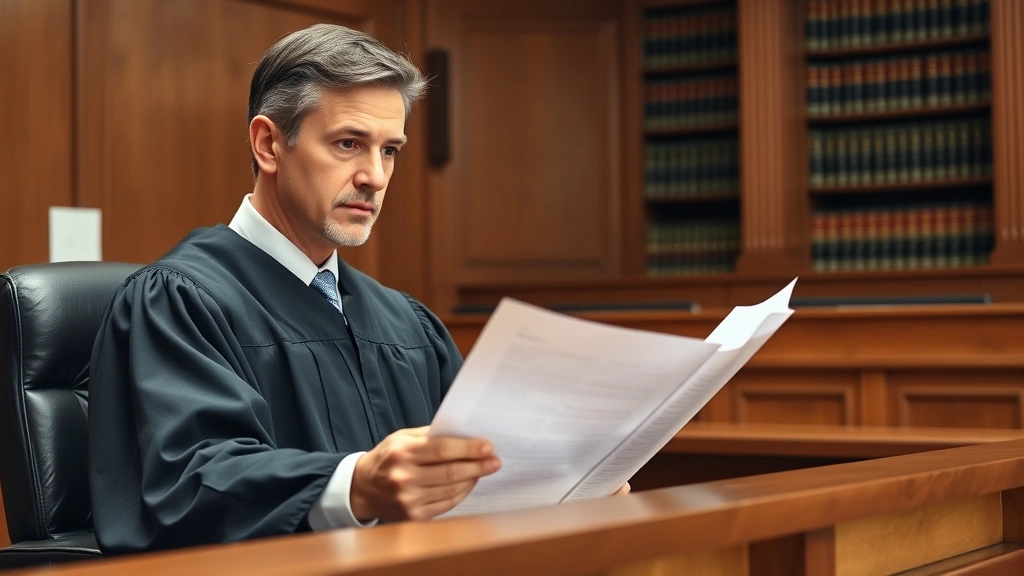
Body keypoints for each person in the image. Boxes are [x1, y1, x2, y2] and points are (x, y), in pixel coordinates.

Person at [88, 22, 627, 556]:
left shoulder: (407, 324)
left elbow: (470, 474)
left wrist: (559, 490)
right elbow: (195, 483)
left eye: (390, 150)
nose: (375, 176)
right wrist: (357, 484)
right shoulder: (179, 301)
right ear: (269, 144)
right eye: (349, 144)